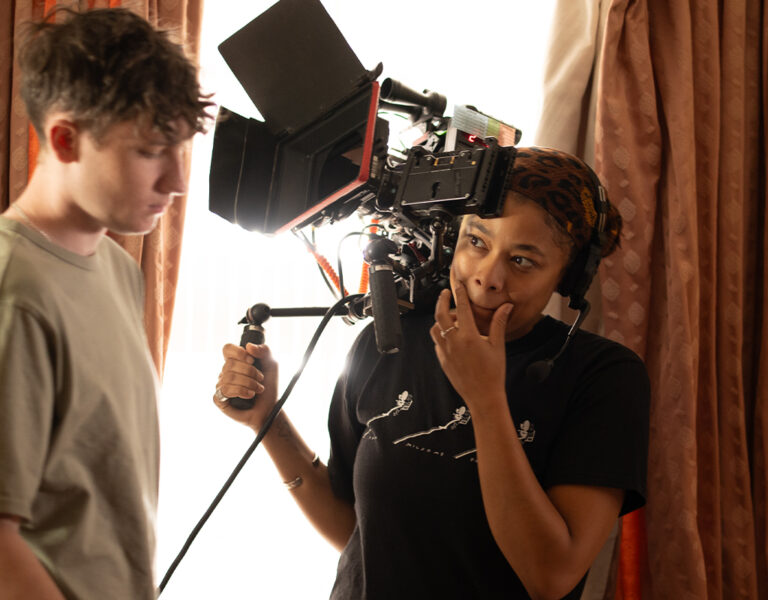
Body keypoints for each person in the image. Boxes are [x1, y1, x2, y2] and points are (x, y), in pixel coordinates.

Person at [214, 146, 650, 600]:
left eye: (522, 260)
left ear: (568, 276)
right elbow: (353, 527)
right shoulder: (388, 340)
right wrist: (267, 422)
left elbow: (551, 577)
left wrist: (484, 398)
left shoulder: (604, 377)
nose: (487, 276)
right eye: (476, 242)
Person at [0, 7, 211, 599]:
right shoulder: (15, 291)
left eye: (181, 150)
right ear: (65, 139)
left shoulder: (118, 268)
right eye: (149, 151)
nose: (177, 181)